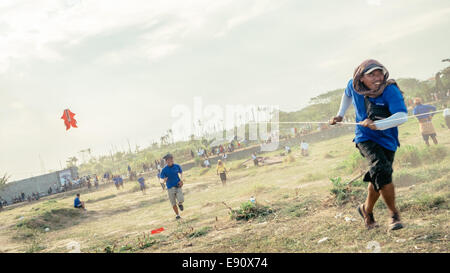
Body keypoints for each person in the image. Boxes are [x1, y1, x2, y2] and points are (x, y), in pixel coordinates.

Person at [330, 59, 408, 231]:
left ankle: (366, 210)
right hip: (364, 137)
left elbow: (402, 116)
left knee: (378, 175)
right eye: (371, 74)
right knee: (381, 169)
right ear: (361, 78)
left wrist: (377, 125)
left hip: (388, 139)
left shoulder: (389, 89)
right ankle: (394, 215)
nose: (376, 77)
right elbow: (347, 94)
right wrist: (340, 115)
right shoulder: (354, 85)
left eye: (379, 72)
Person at [160, 154, 185, 220]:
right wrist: (164, 180)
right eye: (168, 160)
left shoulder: (177, 166)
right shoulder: (164, 170)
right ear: (166, 161)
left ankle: (180, 204)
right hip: (170, 188)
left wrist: (182, 180)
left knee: (181, 199)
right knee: (173, 203)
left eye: (171, 159)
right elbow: (161, 180)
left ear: (172, 159)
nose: (170, 161)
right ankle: (177, 215)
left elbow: (181, 173)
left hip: (178, 186)